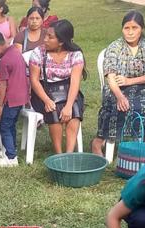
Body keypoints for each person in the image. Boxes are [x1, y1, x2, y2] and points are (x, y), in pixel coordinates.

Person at [93, 11, 145, 155]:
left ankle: (144, 140)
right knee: (116, 106)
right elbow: (110, 77)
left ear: (141, 28)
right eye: (126, 28)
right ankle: (99, 142)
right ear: (122, 29)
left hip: (143, 88)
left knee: (144, 107)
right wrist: (119, 96)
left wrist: (130, 80)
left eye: (134, 28)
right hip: (117, 88)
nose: (130, 32)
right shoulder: (115, 47)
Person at [29, 20, 86, 154]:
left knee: (74, 112)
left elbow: (75, 82)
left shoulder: (75, 54)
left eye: (50, 37)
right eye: (46, 35)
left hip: (67, 89)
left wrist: (68, 106)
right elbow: (34, 80)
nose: (45, 39)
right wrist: (47, 100)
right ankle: (59, 153)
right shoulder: (38, 53)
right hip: (43, 90)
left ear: (61, 42)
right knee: (53, 111)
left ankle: (69, 153)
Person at [0, 30, 28, 167]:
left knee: (5, 127)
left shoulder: (4, 61)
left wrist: (0, 105)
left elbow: (3, 85)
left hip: (11, 99)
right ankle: (9, 150)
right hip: (21, 97)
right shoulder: (16, 52)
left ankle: (11, 158)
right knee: (11, 125)